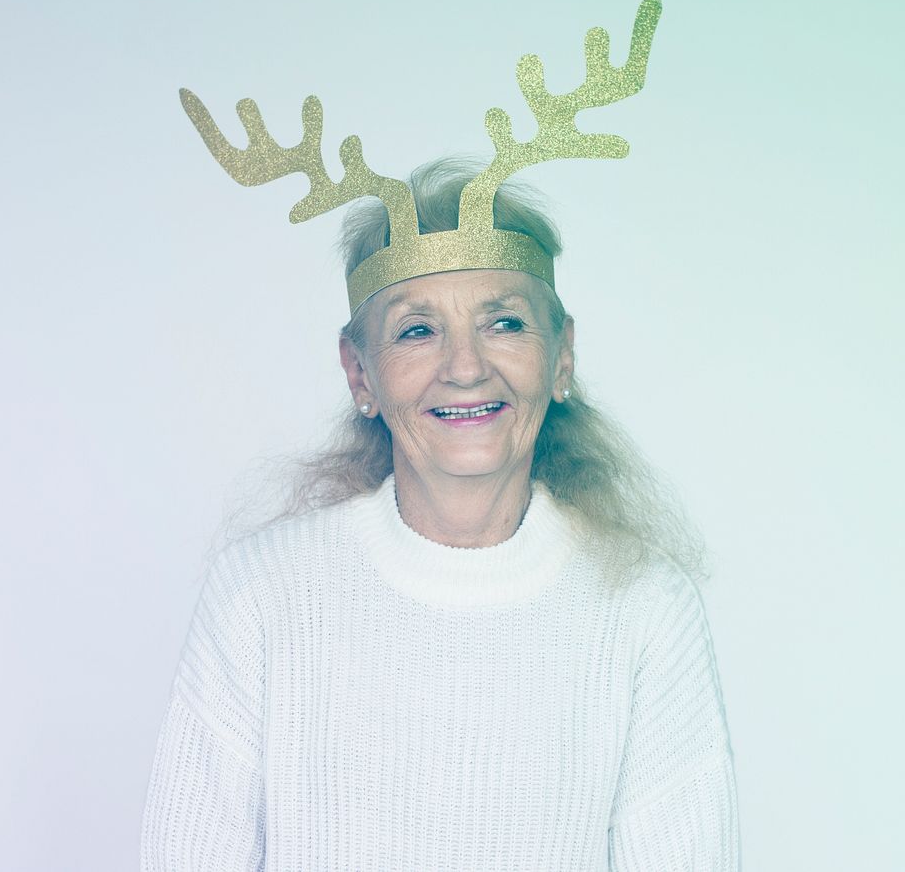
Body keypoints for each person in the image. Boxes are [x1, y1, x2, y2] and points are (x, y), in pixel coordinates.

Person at [140, 158, 739, 870]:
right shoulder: (261, 592)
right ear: (360, 372)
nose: (464, 366)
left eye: (505, 322)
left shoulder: (645, 606)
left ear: (562, 357)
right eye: (417, 330)